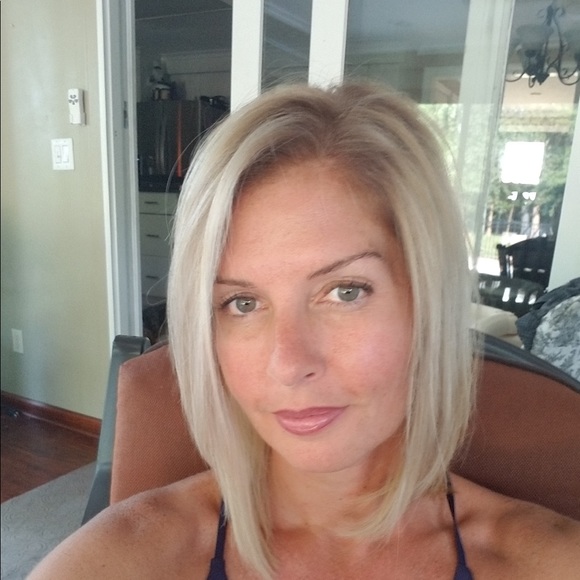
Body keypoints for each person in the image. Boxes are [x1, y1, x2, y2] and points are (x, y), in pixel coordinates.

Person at [30, 82, 579, 579]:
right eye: (243, 303)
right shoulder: (130, 558)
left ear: (426, 306)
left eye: (345, 291)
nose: (290, 364)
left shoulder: (546, 561)